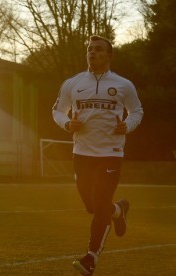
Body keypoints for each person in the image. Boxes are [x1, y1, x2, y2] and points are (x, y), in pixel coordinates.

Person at [52, 35, 144, 275]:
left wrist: (127, 125)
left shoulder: (123, 84)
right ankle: (118, 210)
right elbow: (58, 111)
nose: (92, 53)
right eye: (90, 49)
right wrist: (66, 124)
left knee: (100, 203)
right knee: (93, 207)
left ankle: (91, 257)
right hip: (81, 153)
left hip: (110, 153)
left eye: (98, 50)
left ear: (109, 55)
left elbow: (136, 111)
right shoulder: (72, 83)